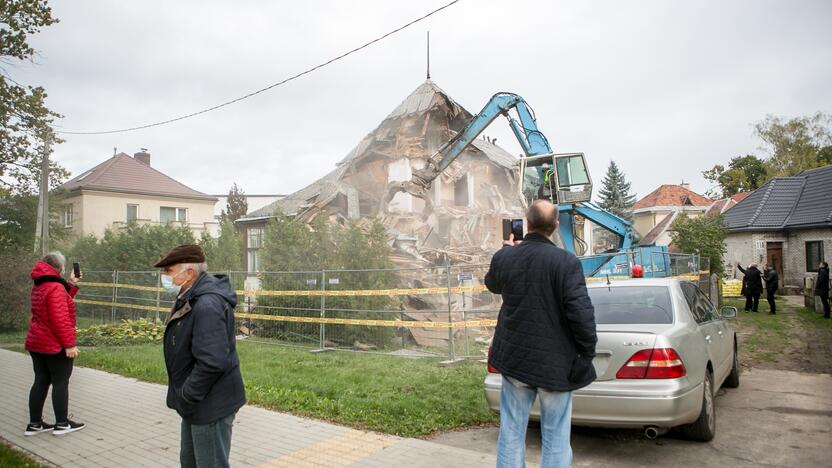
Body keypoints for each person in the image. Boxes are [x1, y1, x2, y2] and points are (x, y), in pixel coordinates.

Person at [486, 200, 597, 468]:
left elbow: (493, 284)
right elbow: (581, 314)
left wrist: (506, 251)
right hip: (556, 366)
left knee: (511, 432)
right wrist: (587, 351)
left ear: (527, 224)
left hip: (515, 361)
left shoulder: (506, 257)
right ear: (555, 226)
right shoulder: (566, 262)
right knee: (556, 436)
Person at [155, 245, 245, 468]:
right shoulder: (190, 297)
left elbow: (213, 361)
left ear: (189, 273)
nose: (165, 277)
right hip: (197, 403)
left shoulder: (206, 304)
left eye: (169, 271)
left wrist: (187, 394)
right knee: (191, 462)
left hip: (209, 403)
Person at [24, 252, 86, 436]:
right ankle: (62, 423)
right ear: (59, 268)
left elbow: (60, 302)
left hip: (37, 342)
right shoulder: (55, 287)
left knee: (41, 381)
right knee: (60, 382)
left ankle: (34, 424)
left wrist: (72, 283)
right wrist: (69, 345)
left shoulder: (41, 284)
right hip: (54, 344)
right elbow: (60, 318)